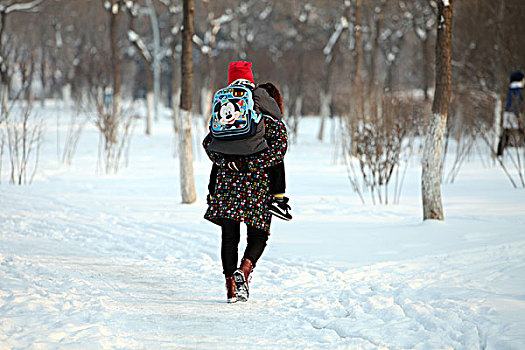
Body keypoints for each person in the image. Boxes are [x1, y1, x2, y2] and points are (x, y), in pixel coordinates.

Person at [203, 61, 289, 303]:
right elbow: (279, 147)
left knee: (229, 236)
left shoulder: (224, 106)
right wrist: (252, 164)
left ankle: (231, 287)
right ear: (251, 79)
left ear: (230, 79)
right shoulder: (262, 105)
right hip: (257, 184)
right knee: (259, 234)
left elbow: (209, 145)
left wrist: (229, 163)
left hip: (227, 183)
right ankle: (245, 270)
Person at [498, 70, 524, 156]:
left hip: (507, 112)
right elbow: (516, 102)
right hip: (513, 113)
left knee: (506, 132)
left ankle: (500, 151)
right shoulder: (517, 90)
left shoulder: (511, 88)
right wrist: (517, 115)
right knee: (521, 131)